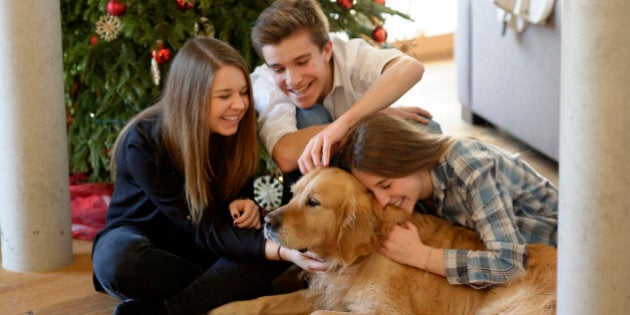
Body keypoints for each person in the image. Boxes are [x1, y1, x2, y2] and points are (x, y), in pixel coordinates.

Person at [91, 37, 327, 315]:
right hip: (147, 243)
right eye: (224, 96)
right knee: (120, 261)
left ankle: (167, 310)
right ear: (192, 97)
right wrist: (279, 252)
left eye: (243, 93)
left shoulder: (234, 129)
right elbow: (204, 226)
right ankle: (224, 292)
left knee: (274, 246)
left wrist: (245, 204)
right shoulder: (144, 141)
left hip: (207, 245)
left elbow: (227, 219)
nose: (239, 105)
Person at [334, 113, 558, 288]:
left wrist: (421, 255)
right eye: (373, 193)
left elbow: (510, 265)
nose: (382, 201)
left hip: (560, 248)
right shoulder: (414, 192)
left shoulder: (469, 168)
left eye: (386, 185)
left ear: (410, 160)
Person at [250, 0, 442, 202]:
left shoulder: (350, 55)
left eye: (302, 62)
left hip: (363, 161)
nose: (293, 80)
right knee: (312, 115)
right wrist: (363, 120)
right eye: (279, 69)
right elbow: (285, 154)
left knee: (428, 127)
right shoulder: (264, 81)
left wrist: (345, 124)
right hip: (315, 177)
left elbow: (410, 68)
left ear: (326, 50)